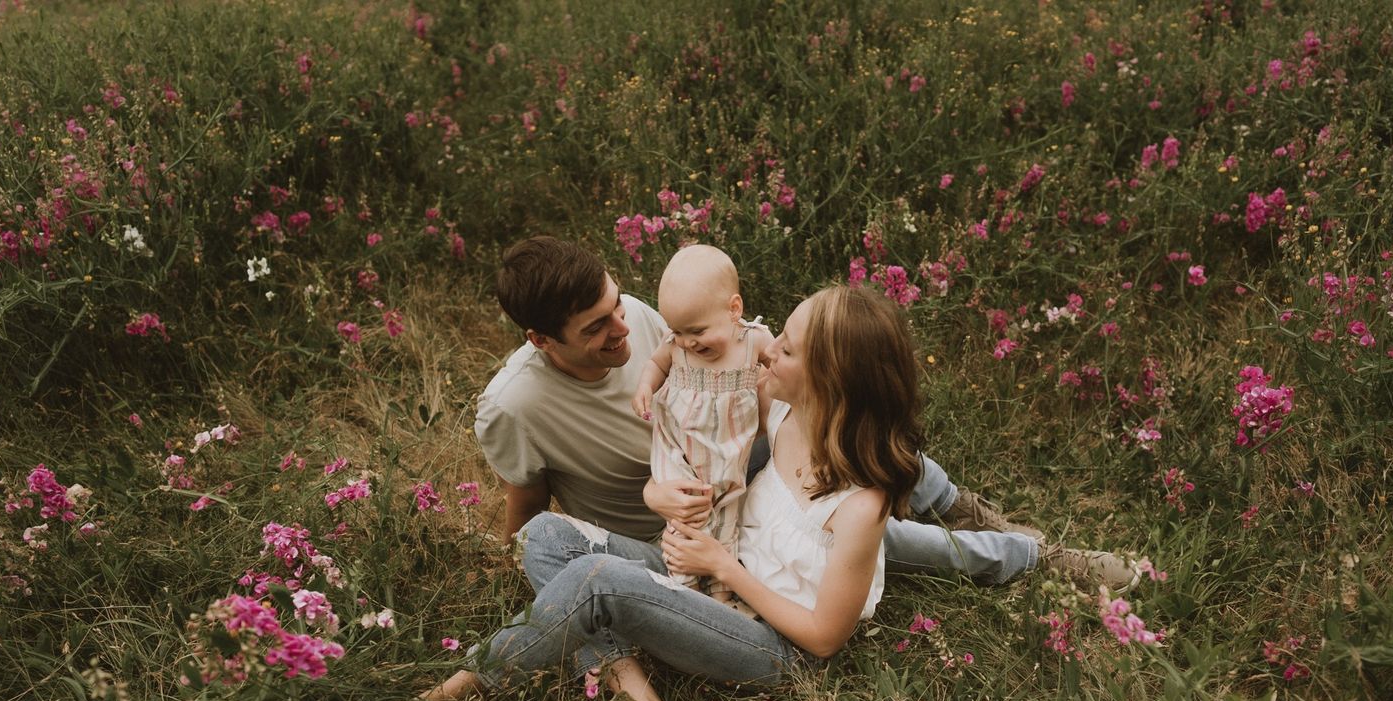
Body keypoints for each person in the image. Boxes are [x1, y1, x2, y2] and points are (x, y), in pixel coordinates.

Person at [424, 286, 925, 701]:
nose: (768, 348)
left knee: (601, 578)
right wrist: (656, 493)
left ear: (830, 379)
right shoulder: (785, 414)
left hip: (773, 645)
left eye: (787, 348)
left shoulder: (861, 507)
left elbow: (823, 639)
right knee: (544, 535)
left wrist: (721, 564)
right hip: (716, 569)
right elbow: (700, 438)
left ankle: (471, 678)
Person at [474, 235, 1135, 592]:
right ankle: (1034, 559)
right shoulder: (515, 406)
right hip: (693, 527)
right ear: (541, 338)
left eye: (619, 306)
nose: (623, 328)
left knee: (833, 411)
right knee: (861, 533)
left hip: (735, 461)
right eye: (597, 328)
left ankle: (954, 500)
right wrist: (517, 567)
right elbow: (528, 505)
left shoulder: (637, 318)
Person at [631, 245, 773, 600]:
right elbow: (655, 364)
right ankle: (684, 586)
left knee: (725, 515)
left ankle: (722, 594)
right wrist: (645, 387)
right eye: (676, 331)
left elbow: (785, 361)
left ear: (734, 309)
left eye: (695, 330)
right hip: (679, 446)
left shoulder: (752, 339)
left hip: (728, 456)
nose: (686, 342)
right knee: (687, 514)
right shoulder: (676, 346)